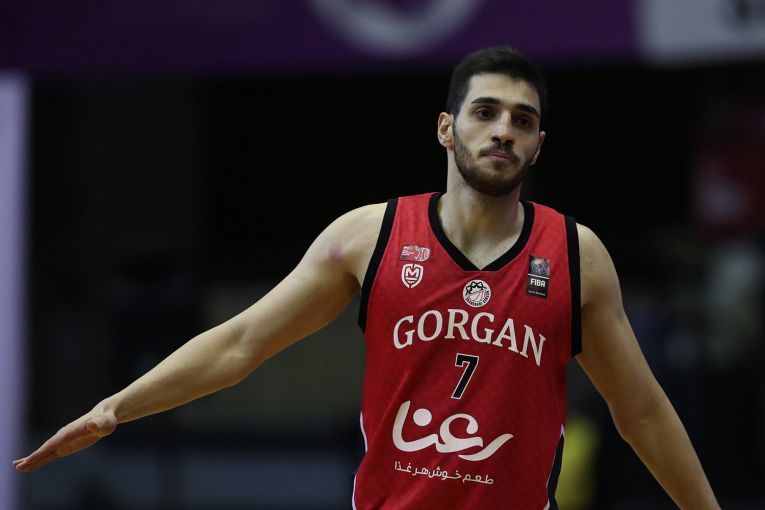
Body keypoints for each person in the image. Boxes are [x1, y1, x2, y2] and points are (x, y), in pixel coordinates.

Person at [13, 47, 719, 509]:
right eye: (485, 112)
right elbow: (241, 343)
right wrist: (116, 408)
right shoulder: (369, 235)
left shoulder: (574, 253)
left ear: (538, 145)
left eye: (522, 120)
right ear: (446, 129)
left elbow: (642, 412)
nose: (503, 129)